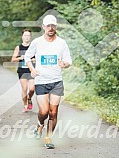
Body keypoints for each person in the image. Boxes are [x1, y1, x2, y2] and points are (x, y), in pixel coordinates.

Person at [24, 15, 72, 149]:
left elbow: (69, 60)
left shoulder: (61, 43)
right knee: (44, 112)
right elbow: (27, 57)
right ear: (43, 27)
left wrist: (64, 64)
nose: (50, 28)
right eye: (48, 26)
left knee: (53, 112)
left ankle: (48, 138)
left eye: (53, 25)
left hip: (56, 81)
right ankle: (39, 125)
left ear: (55, 26)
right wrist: (32, 70)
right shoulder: (37, 42)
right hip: (41, 81)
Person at [11, 29, 35, 112]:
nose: (27, 37)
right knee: (24, 88)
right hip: (22, 70)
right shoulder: (18, 47)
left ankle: (29, 98)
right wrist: (20, 58)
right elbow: (13, 59)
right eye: (25, 35)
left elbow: (38, 58)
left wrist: (33, 60)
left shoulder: (33, 47)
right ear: (22, 37)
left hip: (31, 70)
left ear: (30, 37)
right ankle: (25, 105)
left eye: (28, 35)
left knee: (32, 88)